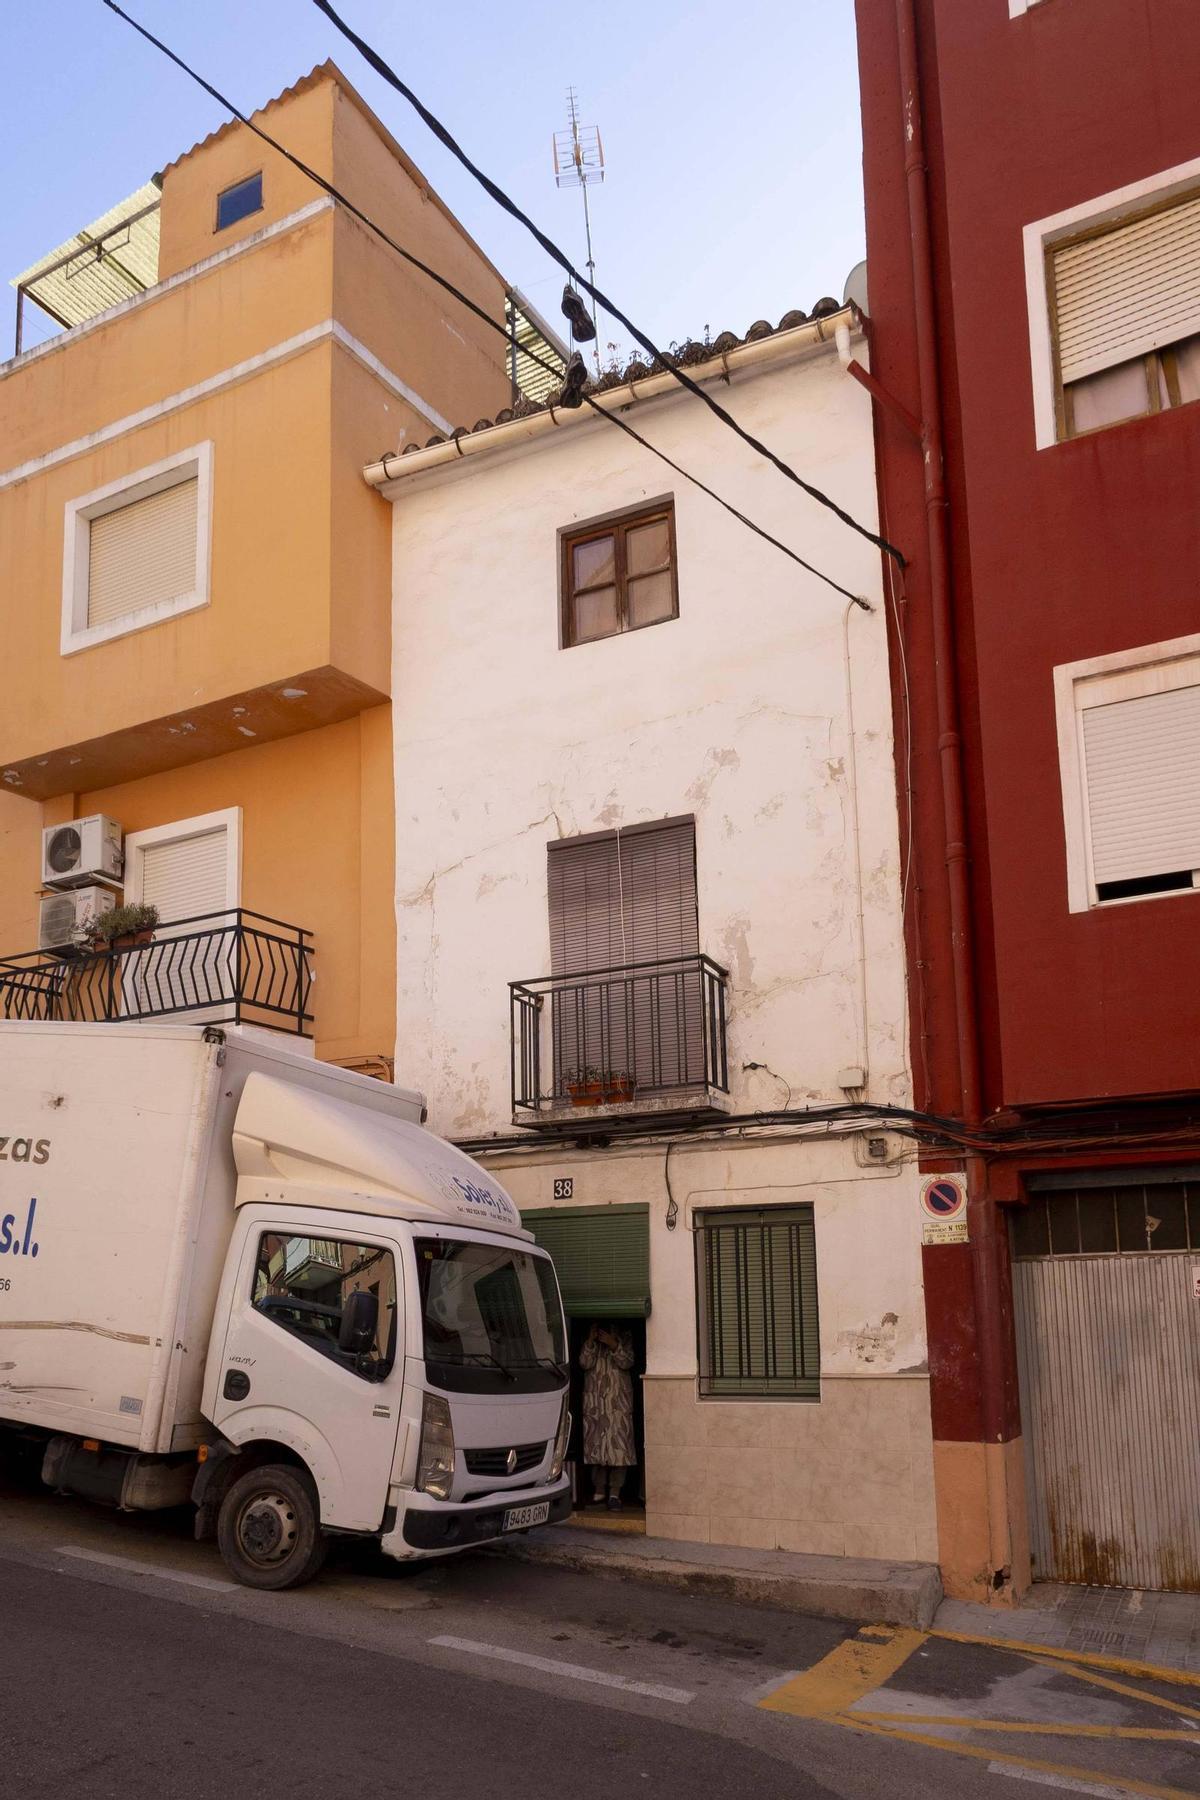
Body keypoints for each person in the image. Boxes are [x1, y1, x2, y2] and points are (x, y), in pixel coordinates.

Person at [578, 1321, 636, 1508]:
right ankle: (599, 1491)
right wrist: (590, 1340)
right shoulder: (591, 1341)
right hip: (596, 1406)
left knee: (619, 1450)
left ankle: (615, 1494)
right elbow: (584, 1363)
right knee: (597, 1450)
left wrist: (613, 1344)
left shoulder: (624, 1336)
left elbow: (627, 1361)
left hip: (617, 1405)